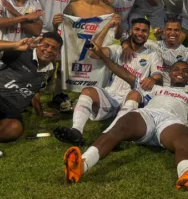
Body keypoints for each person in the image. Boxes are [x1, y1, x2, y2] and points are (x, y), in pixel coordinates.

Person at [63, 60, 188, 189]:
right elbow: (124, 73)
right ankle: (82, 164)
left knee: (183, 138)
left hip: (172, 122)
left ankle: (187, 175)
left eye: (185, 71)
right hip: (148, 116)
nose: (181, 72)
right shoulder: (155, 87)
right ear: (170, 73)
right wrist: (101, 56)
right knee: (122, 124)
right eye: (177, 69)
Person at [54, 17, 163, 145]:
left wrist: (152, 78)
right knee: (88, 91)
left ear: (148, 34)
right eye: (137, 29)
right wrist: (107, 26)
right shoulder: (118, 49)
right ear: (130, 32)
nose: (140, 33)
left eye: (144, 31)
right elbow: (94, 53)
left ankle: (111, 135)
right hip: (111, 94)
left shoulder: (153, 55)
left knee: (135, 94)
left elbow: (158, 76)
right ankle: (76, 131)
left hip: (132, 97)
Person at [0, 34, 61, 142]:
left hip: (12, 110)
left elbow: (34, 91)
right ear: (38, 44)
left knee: (14, 129)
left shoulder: (50, 69)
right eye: (45, 45)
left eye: (54, 48)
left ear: (58, 52)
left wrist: (40, 112)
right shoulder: (21, 53)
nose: (49, 50)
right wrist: (15, 45)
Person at [142, 18, 188, 86]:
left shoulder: (186, 51)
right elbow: (134, 40)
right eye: (169, 29)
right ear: (164, 31)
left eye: (176, 30)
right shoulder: (153, 45)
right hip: (160, 88)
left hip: (180, 89)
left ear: (180, 32)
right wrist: (127, 46)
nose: (172, 33)